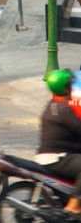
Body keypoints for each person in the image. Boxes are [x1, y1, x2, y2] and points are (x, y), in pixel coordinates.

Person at [35, 68, 81, 216]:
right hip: (58, 157)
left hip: (52, 156)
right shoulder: (64, 110)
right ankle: (74, 205)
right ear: (66, 88)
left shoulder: (53, 105)